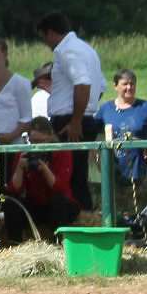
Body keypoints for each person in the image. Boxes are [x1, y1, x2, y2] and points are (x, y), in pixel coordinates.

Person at [38, 11, 106, 210]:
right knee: (77, 175)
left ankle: (77, 220)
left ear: (50, 33)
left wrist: (75, 121)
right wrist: (86, 108)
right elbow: (99, 86)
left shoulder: (65, 51)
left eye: (44, 37)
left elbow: (83, 84)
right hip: (82, 116)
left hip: (70, 121)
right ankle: (85, 218)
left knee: (67, 176)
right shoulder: (87, 50)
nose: (46, 43)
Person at [96, 68, 147, 226]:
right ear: (115, 86)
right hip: (114, 169)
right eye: (125, 84)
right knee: (116, 211)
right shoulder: (105, 109)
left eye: (132, 84)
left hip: (140, 169)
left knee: (140, 209)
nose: (129, 87)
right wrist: (94, 154)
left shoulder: (146, 107)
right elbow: (94, 134)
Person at [3, 116, 80, 244]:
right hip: (36, 204)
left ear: (51, 137)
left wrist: (44, 169)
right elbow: (14, 189)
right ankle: (14, 245)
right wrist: (20, 169)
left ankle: (59, 243)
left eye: (42, 142)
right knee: (11, 204)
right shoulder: (23, 154)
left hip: (60, 204)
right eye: (34, 142)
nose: (37, 147)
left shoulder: (62, 151)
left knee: (58, 201)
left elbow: (60, 188)